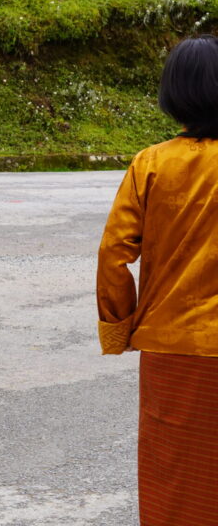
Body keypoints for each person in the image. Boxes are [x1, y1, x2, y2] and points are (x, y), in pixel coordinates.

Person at [97, 34, 218, 526]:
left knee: (177, 482)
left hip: (175, 350)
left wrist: (118, 326)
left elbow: (114, 255)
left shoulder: (151, 164)